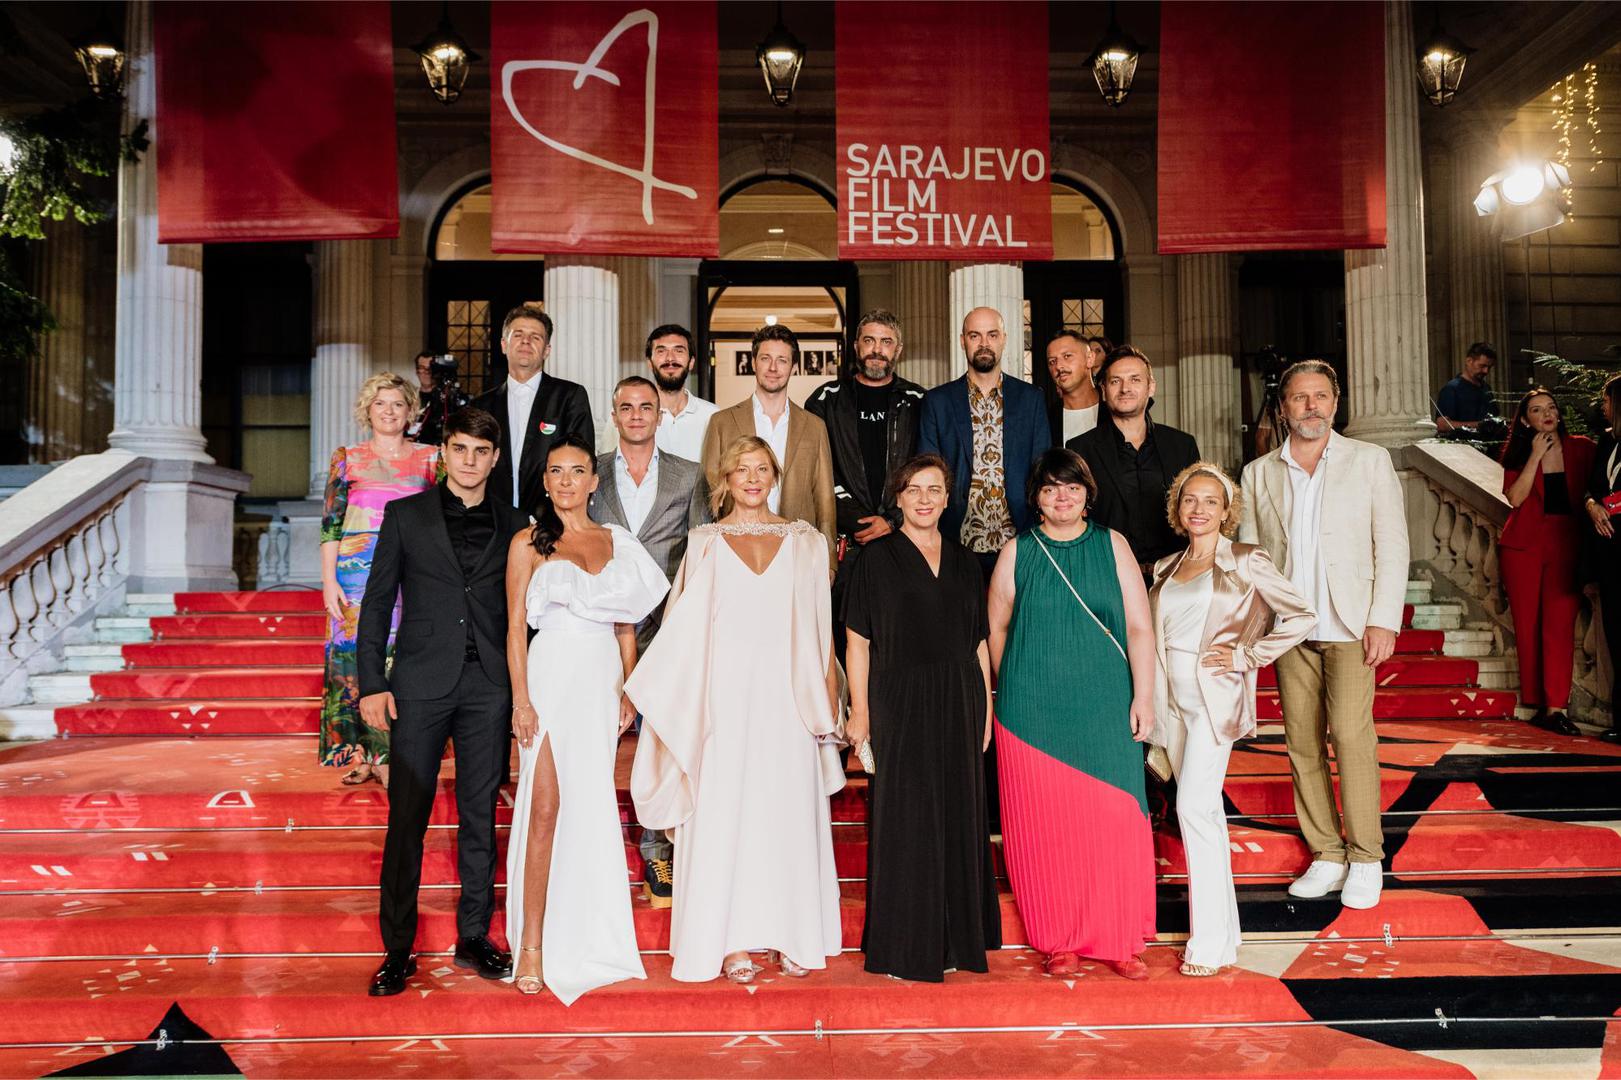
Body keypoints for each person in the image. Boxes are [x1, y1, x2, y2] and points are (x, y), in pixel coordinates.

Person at [626, 435, 844, 984]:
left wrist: (827, 698)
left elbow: (820, 630)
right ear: (725, 479)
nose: (752, 478)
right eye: (741, 469)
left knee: (786, 815)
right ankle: (728, 942)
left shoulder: (807, 542)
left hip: (788, 701)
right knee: (726, 815)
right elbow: (681, 631)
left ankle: (792, 935)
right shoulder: (704, 542)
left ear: (775, 476)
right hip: (722, 701)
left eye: (761, 469)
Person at [356, 407, 529, 997]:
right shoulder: (406, 516)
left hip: (489, 687)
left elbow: (527, 612)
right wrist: (371, 682)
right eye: (460, 449)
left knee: (480, 815)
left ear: (495, 458)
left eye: (481, 451)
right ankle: (397, 949)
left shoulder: (517, 523)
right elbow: (377, 601)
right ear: (444, 454)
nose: (470, 461)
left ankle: (473, 935)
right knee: (407, 818)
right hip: (419, 683)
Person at [502, 434, 669, 1002]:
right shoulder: (527, 542)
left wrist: (629, 689)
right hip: (551, 673)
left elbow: (626, 624)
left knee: (592, 805)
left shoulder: (616, 540)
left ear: (594, 481)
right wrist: (521, 700)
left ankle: (590, 933)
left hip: (600, 678)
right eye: (557, 472)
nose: (567, 481)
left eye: (577, 471)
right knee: (545, 805)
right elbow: (514, 628)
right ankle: (532, 944)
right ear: (545, 482)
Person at [1239, 360, 1409, 910]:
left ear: (1335, 403)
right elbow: (1252, 559)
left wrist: (1384, 618)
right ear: (1283, 407)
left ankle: (1365, 856)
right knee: (1302, 742)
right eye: (1299, 397)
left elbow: (1393, 544)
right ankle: (1327, 853)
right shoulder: (1259, 472)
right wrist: (1256, 629)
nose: (1310, 406)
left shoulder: (1369, 461)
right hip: (1290, 628)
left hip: (1352, 623)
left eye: (1320, 396)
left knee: (1352, 737)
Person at [986, 448, 1157, 980]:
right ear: (1036, 498)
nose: (1062, 497)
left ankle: (1120, 938)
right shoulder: (1017, 551)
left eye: (1072, 487)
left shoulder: (1113, 545)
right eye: (1051, 488)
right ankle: (1059, 939)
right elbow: (997, 629)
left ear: (1087, 494)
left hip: (1106, 705)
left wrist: (1144, 696)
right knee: (1046, 828)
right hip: (1030, 715)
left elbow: (1140, 627)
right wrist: (1017, 687)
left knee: (1115, 820)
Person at [1148, 463, 1314, 976]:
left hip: (1212, 701)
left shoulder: (1245, 559)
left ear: (1226, 511)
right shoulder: (1165, 567)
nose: (1198, 509)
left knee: (1194, 808)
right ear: (1178, 509)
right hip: (1170, 702)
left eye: (1210, 501)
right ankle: (1224, 936)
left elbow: (1302, 615)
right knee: (1207, 817)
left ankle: (1205, 944)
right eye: (1189, 500)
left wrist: (1247, 656)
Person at [843, 453, 1000, 982]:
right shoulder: (875, 559)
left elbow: (978, 642)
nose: (925, 499)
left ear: (948, 498)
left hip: (960, 697)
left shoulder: (964, 561)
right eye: (914, 489)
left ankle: (957, 941)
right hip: (899, 698)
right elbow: (858, 642)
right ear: (899, 497)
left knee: (959, 812)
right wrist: (861, 713)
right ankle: (905, 945)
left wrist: (985, 709)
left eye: (934, 489)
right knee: (906, 816)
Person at [588, 374, 708, 909]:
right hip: (601, 625)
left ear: (660, 416)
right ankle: (592, 853)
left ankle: (659, 850)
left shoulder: (690, 474)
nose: (636, 415)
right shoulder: (590, 473)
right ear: (614, 415)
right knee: (597, 738)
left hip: (665, 626)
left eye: (646, 407)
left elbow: (700, 549)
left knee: (660, 744)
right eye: (627, 407)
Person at [318, 372, 439, 788]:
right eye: (380, 403)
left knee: (398, 661)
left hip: (411, 577)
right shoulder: (347, 458)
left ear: (411, 411)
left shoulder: (431, 458)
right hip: (354, 580)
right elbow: (331, 525)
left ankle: (391, 754)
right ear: (367, 410)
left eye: (398, 404)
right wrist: (329, 581)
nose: (389, 411)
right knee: (354, 663)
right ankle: (365, 753)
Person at [805, 309, 925, 642]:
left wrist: (893, 519)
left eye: (886, 342)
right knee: (844, 638)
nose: (877, 349)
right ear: (856, 345)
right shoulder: (825, 401)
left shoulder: (919, 401)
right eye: (869, 340)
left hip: (904, 539)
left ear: (898, 349)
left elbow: (928, 468)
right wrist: (860, 522)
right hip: (847, 546)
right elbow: (816, 470)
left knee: (900, 637)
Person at [919, 306, 1054, 579]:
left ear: (1004, 339)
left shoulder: (1031, 399)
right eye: (974, 335)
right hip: (956, 539)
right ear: (962, 341)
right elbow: (927, 470)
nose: (984, 343)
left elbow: (1043, 467)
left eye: (992, 335)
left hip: (1019, 538)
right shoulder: (937, 401)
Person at [1500, 387, 1597, 737]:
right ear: (1526, 421)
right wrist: (1535, 455)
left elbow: (1598, 487)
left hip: (1567, 543)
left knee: (1559, 625)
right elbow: (1515, 498)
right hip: (1523, 547)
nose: (1547, 414)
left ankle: (1556, 708)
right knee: (1528, 627)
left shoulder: (1583, 449)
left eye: (1551, 407)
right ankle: (1537, 702)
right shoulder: (1519, 454)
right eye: (1537, 410)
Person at [699, 323, 837, 549]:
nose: (773, 368)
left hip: (797, 548)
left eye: (782, 360)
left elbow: (825, 501)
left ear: (793, 367)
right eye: (765, 358)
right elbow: (708, 494)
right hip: (735, 547)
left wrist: (828, 559)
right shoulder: (721, 422)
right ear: (753, 363)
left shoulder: (815, 426)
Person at [1067, 346, 1201, 574]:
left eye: (1135, 379)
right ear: (1104, 390)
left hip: (1175, 575)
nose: (1125, 388)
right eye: (1115, 381)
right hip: (1107, 574)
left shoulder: (1182, 445)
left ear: (1151, 387)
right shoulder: (1080, 449)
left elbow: (1197, 512)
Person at [473, 303, 595, 513]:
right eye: (518, 335)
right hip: (491, 519)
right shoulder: (481, 406)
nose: (526, 341)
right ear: (503, 345)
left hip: (551, 519)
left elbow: (583, 462)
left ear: (547, 350)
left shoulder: (569, 396)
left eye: (535, 337)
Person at [1584, 374, 1621, 743]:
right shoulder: (1607, 440)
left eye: (1607, 400)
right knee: (1615, 635)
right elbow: (1592, 488)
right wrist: (1592, 505)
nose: (1603, 405)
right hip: (1608, 550)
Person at [646, 324, 719, 462]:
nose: (670, 358)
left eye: (679, 351)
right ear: (650, 363)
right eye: (661, 351)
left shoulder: (713, 415)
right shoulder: (630, 416)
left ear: (691, 362)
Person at [1045, 329, 1102, 444]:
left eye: (1067, 356)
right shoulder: (1046, 420)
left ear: (1090, 359)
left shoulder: (1115, 409)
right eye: (1052, 361)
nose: (1058, 366)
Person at [1435, 343, 1498, 437]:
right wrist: (1480, 425)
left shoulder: (1487, 388)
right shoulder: (1451, 389)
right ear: (1469, 361)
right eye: (1482, 366)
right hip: (1462, 444)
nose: (1486, 371)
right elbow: (1442, 425)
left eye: (1489, 367)